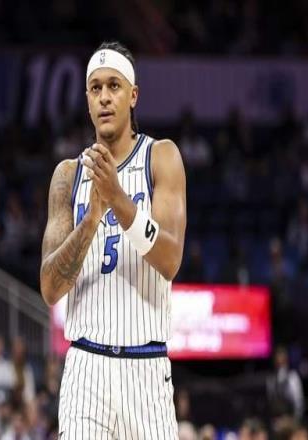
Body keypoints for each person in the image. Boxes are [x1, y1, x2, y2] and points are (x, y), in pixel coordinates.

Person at [40, 41, 186, 439]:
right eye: (95, 88)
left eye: (114, 86)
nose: (104, 97)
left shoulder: (161, 157)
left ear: (133, 96)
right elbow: (50, 288)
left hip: (146, 370)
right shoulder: (68, 175)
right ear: (87, 101)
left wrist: (118, 200)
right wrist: (90, 220)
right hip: (86, 370)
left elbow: (171, 260)